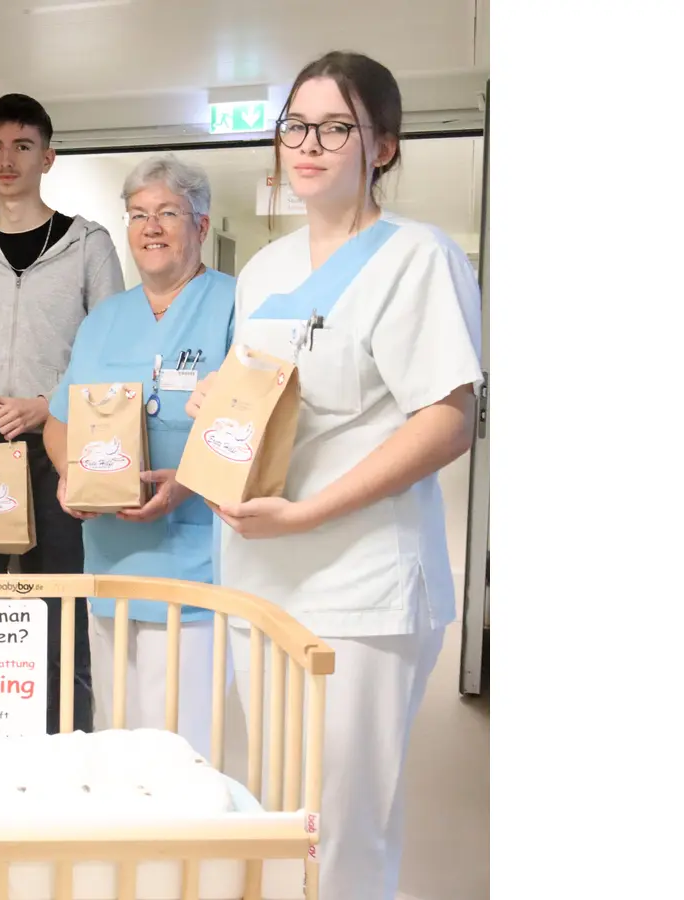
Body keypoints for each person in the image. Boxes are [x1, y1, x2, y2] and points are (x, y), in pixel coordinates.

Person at [187, 51, 482, 900]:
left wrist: (310, 511)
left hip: (360, 588)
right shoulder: (266, 271)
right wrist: (222, 398)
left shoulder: (416, 258)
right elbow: (266, 402)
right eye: (296, 125)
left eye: (336, 126)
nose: (308, 144)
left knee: (343, 826)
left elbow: (447, 418)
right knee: (279, 806)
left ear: (381, 145)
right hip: (260, 575)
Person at [0, 93, 125, 734]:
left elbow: (110, 358)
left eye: (22, 147)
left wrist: (46, 407)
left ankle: (69, 757)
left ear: (48, 157)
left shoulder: (88, 245)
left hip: (59, 457)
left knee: (63, 623)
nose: (6, 160)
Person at [43, 154, 235, 759]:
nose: (151, 227)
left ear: (201, 226)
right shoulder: (105, 319)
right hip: (110, 561)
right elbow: (59, 421)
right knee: (116, 735)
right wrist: (69, 472)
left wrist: (186, 481)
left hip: (197, 567)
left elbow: (255, 429)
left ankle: (189, 855)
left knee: (182, 745)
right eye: (138, 215)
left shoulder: (237, 306)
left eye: (168, 213)